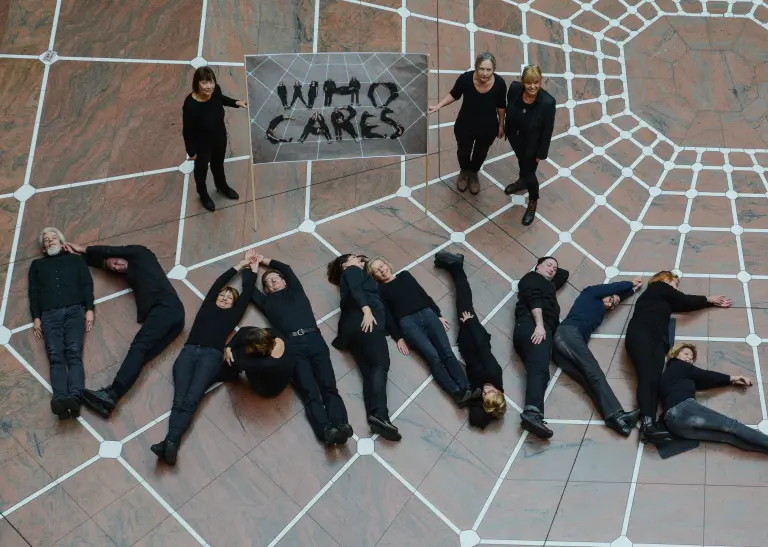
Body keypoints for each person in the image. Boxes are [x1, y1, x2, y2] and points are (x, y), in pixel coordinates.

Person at [150, 253, 256, 465]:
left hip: (211, 357)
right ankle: (170, 445)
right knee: (179, 400)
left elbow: (246, 295)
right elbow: (218, 283)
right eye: (222, 296)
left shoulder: (233, 314)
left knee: (191, 401)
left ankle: (171, 442)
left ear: (233, 304)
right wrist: (240, 265)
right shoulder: (207, 305)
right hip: (187, 353)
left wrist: (252, 271)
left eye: (228, 298)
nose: (224, 299)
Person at [63, 242, 185, 418]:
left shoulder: (141, 254)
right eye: (113, 268)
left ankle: (111, 393)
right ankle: (111, 399)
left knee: (139, 347)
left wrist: (83, 249)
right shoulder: (130, 273)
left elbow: (111, 250)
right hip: (174, 319)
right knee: (140, 356)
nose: (117, 267)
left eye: (116, 262)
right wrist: (74, 257)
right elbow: (103, 261)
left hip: (166, 308)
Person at [249, 254, 352, 446]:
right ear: (265, 289)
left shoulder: (295, 290)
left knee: (328, 385)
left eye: (275, 279)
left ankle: (342, 424)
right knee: (309, 390)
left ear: (283, 281)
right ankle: (325, 430)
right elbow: (250, 291)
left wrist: (263, 259)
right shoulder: (266, 302)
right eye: (267, 282)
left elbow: (286, 267)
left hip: (314, 339)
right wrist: (253, 269)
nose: (271, 282)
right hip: (292, 346)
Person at [625, 271, 731, 443]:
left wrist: (707, 304)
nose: (676, 288)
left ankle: (646, 424)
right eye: (675, 283)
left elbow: (683, 305)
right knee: (647, 377)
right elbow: (684, 300)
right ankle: (647, 424)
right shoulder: (657, 287)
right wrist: (708, 299)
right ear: (665, 279)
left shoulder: (663, 299)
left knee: (654, 380)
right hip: (642, 335)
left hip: (656, 341)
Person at [367, 256, 476, 407]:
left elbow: (423, 294)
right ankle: (455, 392)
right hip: (409, 324)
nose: (382, 270)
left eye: (382, 265)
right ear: (375, 276)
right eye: (377, 270)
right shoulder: (380, 290)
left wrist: (438, 314)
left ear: (387, 264)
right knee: (434, 358)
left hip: (428, 314)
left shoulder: (405, 275)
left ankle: (466, 387)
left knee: (447, 352)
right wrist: (398, 337)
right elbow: (387, 316)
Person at [553, 279, 642, 436]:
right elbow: (613, 288)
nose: (610, 304)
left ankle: (615, 420)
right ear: (603, 295)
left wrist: (630, 292)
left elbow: (616, 296)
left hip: (561, 348)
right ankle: (619, 414)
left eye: (613, 304)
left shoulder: (599, 310)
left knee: (589, 381)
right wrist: (631, 284)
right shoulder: (589, 294)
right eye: (609, 299)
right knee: (595, 373)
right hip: (568, 334)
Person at [327, 254, 401, 442]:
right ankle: (381, 414)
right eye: (354, 257)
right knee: (381, 364)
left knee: (369, 372)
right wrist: (367, 310)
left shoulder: (353, 273)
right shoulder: (351, 271)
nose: (360, 260)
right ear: (345, 265)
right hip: (366, 322)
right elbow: (355, 289)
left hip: (352, 330)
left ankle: (375, 416)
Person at [433, 252, 506, 428]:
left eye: (484, 396)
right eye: (490, 391)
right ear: (498, 391)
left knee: (461, 298)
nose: (485, 391)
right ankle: (456, 266)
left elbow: (476, 420)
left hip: (466, 342)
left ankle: (454, 267)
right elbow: (482, 346)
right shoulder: (493, 374)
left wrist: (492, 410)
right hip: (472, 333)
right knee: (463, 297)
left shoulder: (483, 395)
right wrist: (470, 323)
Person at [28, 228, 94, 419]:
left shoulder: (75, 260)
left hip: (75, 311)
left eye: (53, 238)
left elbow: (87, 284)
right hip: (49, 315)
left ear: (61, 241)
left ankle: (74, 397)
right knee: (55, 355)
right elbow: (33, 292)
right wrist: (36, 317)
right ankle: (59, 398)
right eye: (46, 240)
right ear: (43, 248)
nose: (50, 241)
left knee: (74, 353)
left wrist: (89, 309)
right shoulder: (37, 266)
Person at [661, 343, 768, 454]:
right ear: (674, 354)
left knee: (728, 437)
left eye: (691, 357)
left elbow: (704, 382)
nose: (689, 358)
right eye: (686, 354)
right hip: (683, 409)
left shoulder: (673, 375)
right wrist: (733, 377)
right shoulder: (679, 365)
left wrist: (730, 381)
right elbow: (705, 375)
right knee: (732, 425)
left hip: (674, 425)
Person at [428, 52, 507, 195]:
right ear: (476, 67)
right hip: (465, 125)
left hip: (488, 128)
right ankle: (464, 171)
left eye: (488, 70)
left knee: (480, 153)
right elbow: (454, 94)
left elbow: (501, 106)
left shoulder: (500, 84)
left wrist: (501, 125)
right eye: (481, 69)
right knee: (463, 151)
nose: (484, 73)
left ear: (494, 69)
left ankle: (473, 173)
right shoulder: (465, 79)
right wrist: (438, 106)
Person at [513, 256, 569, 439]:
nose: (553, 269)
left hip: (536, 329)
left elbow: (564, 274)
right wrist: (539, 325)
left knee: (540, 372)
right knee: (539, 370)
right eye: (548, 265)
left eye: (554, 267)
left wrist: (549, 269)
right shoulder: (532, 278)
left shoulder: (548, 285)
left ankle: (534, 413)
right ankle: (531, 414)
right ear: (537, 266)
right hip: (533, 325)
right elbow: (534, 299)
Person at [182, 66, 246, 212]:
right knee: (201, 170)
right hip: (202, 145)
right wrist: (191, 152)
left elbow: (221, 99)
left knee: (218, 165)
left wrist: (236, 102)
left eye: (211, 82)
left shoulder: (216, 90)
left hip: (219, 138)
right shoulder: (190, 105)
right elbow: (187, 131)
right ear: (197, 83)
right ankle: (203, 193)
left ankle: (221, 186)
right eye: (204, 83)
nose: (209, 86)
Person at [502, 65, 557, 226]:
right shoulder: (513, 89)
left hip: (532, 144)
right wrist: (505, 127)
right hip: (515, 136)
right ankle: (522, 181)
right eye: (528, 83)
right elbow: (508, 108)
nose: (532, 86)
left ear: (540, 82)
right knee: (522, 163)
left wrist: (541, 154)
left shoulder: (547, 103)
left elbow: (547, 131)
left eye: (536, 82)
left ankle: (533, 200)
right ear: (522, 82)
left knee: (530, 174)